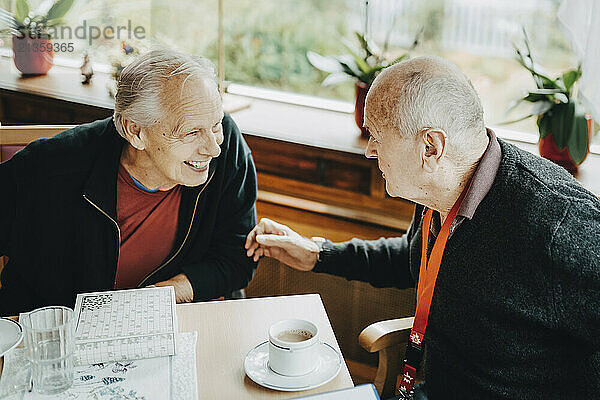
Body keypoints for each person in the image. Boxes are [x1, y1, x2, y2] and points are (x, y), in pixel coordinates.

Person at [245, 56, 600, 400]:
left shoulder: (562, 226)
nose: (369, 150)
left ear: (430, 146)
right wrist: (319, 254)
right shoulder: (439, 188)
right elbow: (415, 260)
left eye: (377, 136)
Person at [0, 48, 258, 315]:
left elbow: (236, 259)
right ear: (135, 131)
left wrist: (161, 295)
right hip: (55, 337)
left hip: (169, 326)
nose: (213, 148)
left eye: (215, 125)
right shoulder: (50, 167)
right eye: (191, 132)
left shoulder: (226, 148)